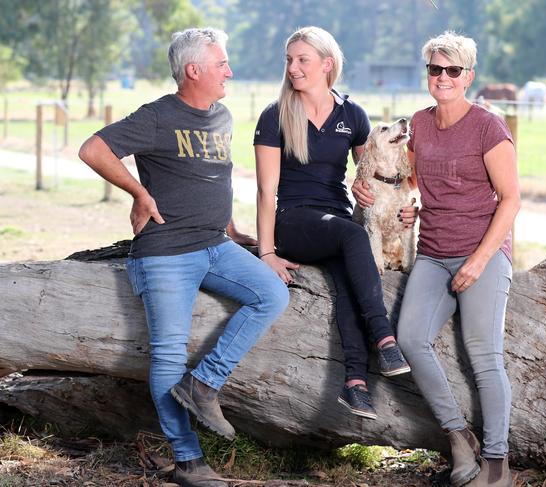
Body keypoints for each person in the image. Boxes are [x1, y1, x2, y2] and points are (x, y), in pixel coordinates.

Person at [78, 28, 289, 487]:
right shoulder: (157, 116)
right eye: (221, 64)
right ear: (194, 70)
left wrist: (234, 231)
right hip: (166, 252)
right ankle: (188, 461)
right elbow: (92, 149)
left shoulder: (223, 115)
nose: (229, 71)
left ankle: (205, 383)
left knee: (272, 292)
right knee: (169, 354)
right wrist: (138, 191)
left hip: (217, 245)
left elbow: (215, 178)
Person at [358, 31, 520, 486]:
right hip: (431, 252)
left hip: (482, 252)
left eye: (452, 70)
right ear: (427, 73)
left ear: (468, 76)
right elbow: (409, 180)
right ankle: (457, 435)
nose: (443, 77)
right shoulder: (421, 124)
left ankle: (496, 462)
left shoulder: (488, 127)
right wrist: (403, 202)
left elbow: (509, 200)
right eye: (435, 69)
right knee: (408, 339)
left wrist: (479, 260)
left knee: (484, 356)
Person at [254, 26, 411, 421]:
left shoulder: (352, 115)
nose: (292, 67)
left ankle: (355, 384)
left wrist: (401, 206)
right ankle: (385, 337)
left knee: (347, 284)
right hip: (293, 220)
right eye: (289, 60)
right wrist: (267, 252)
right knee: (352, 234)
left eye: (301, 60)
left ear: (327, 64)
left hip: (336, 223)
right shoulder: (275, 115)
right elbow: (264, 191)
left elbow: (374, 171)